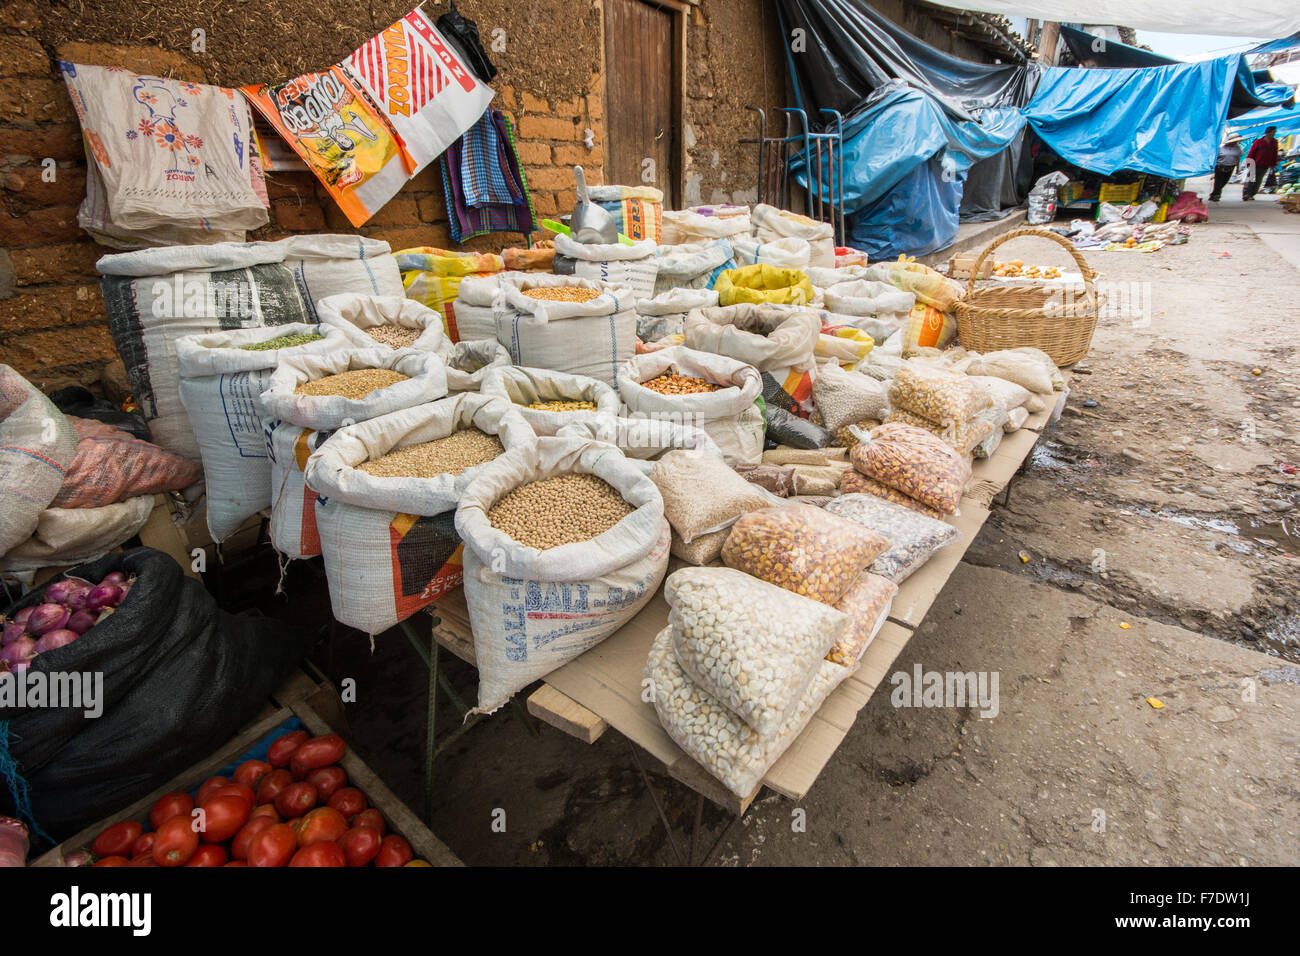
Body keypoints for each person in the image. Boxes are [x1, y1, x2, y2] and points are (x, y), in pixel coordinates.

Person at [1242, 126, 1279, 201]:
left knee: (1258, 180)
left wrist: (1273, 164)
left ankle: (1252, 194)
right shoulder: (1258, 142)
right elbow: (1251, 152)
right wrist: (1249, 162)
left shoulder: (1274, 142)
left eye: (1275, 132)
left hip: (1265, 165)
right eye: (1273, 132)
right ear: (1267, 133)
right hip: (1254, 164)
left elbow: (1275, 153)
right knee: (1250, 179)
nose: (1274, 134)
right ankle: (1246, 194)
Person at [1209, 135, 1242, 202]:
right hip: (1220, 166)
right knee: (1218, 182)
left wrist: (1237, 168)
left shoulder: (1237, 148)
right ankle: (1216, 195)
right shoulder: (1221, 148)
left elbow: (1238, 158)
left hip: (1231, 166)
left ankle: (1214, 193)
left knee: (1224, 181)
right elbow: (1214, 157)